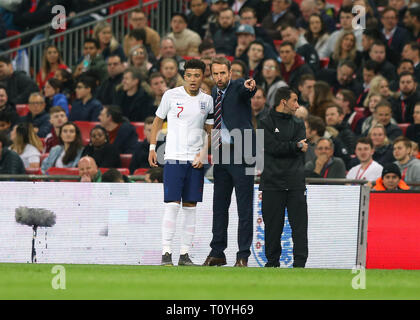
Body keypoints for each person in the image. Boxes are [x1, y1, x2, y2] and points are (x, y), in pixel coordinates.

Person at [148, 59, 213, 266]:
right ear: (184, 76)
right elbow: (157, 121)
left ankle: (184, 254)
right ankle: (166, 252)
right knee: (172, 205)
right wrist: (151, 147)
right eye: (190, 75)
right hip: (174, 157)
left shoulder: (208, 100)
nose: (193, 79)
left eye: (197, 75)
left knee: (191, 207)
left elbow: (213, 132)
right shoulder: (171, 95)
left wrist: (204, 154)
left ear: (203, 77)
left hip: (195, 161)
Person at [202, 56, 256, 268]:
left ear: (230, 73)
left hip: (244, 151)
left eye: (223, 73)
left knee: (244, 207)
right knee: (219, 206)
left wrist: (250, 86)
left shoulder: (237, 87)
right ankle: (217, 252)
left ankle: (243, 255)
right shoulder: (214, 93)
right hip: (222, 153)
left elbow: (247, 90)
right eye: (215, 73)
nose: (219, 77)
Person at [258, 87, 308, 268]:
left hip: (295, 182)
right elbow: (271, 147)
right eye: (294, 100)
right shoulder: (264, 122)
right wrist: (294, 146)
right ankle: (272, 263)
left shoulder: (298, 123)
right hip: (272, 182)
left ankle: (300, 263)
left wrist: (289, 146)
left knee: (300, 227)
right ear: (283, 101)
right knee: (272, 228)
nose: (297, 105)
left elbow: (295, 146)